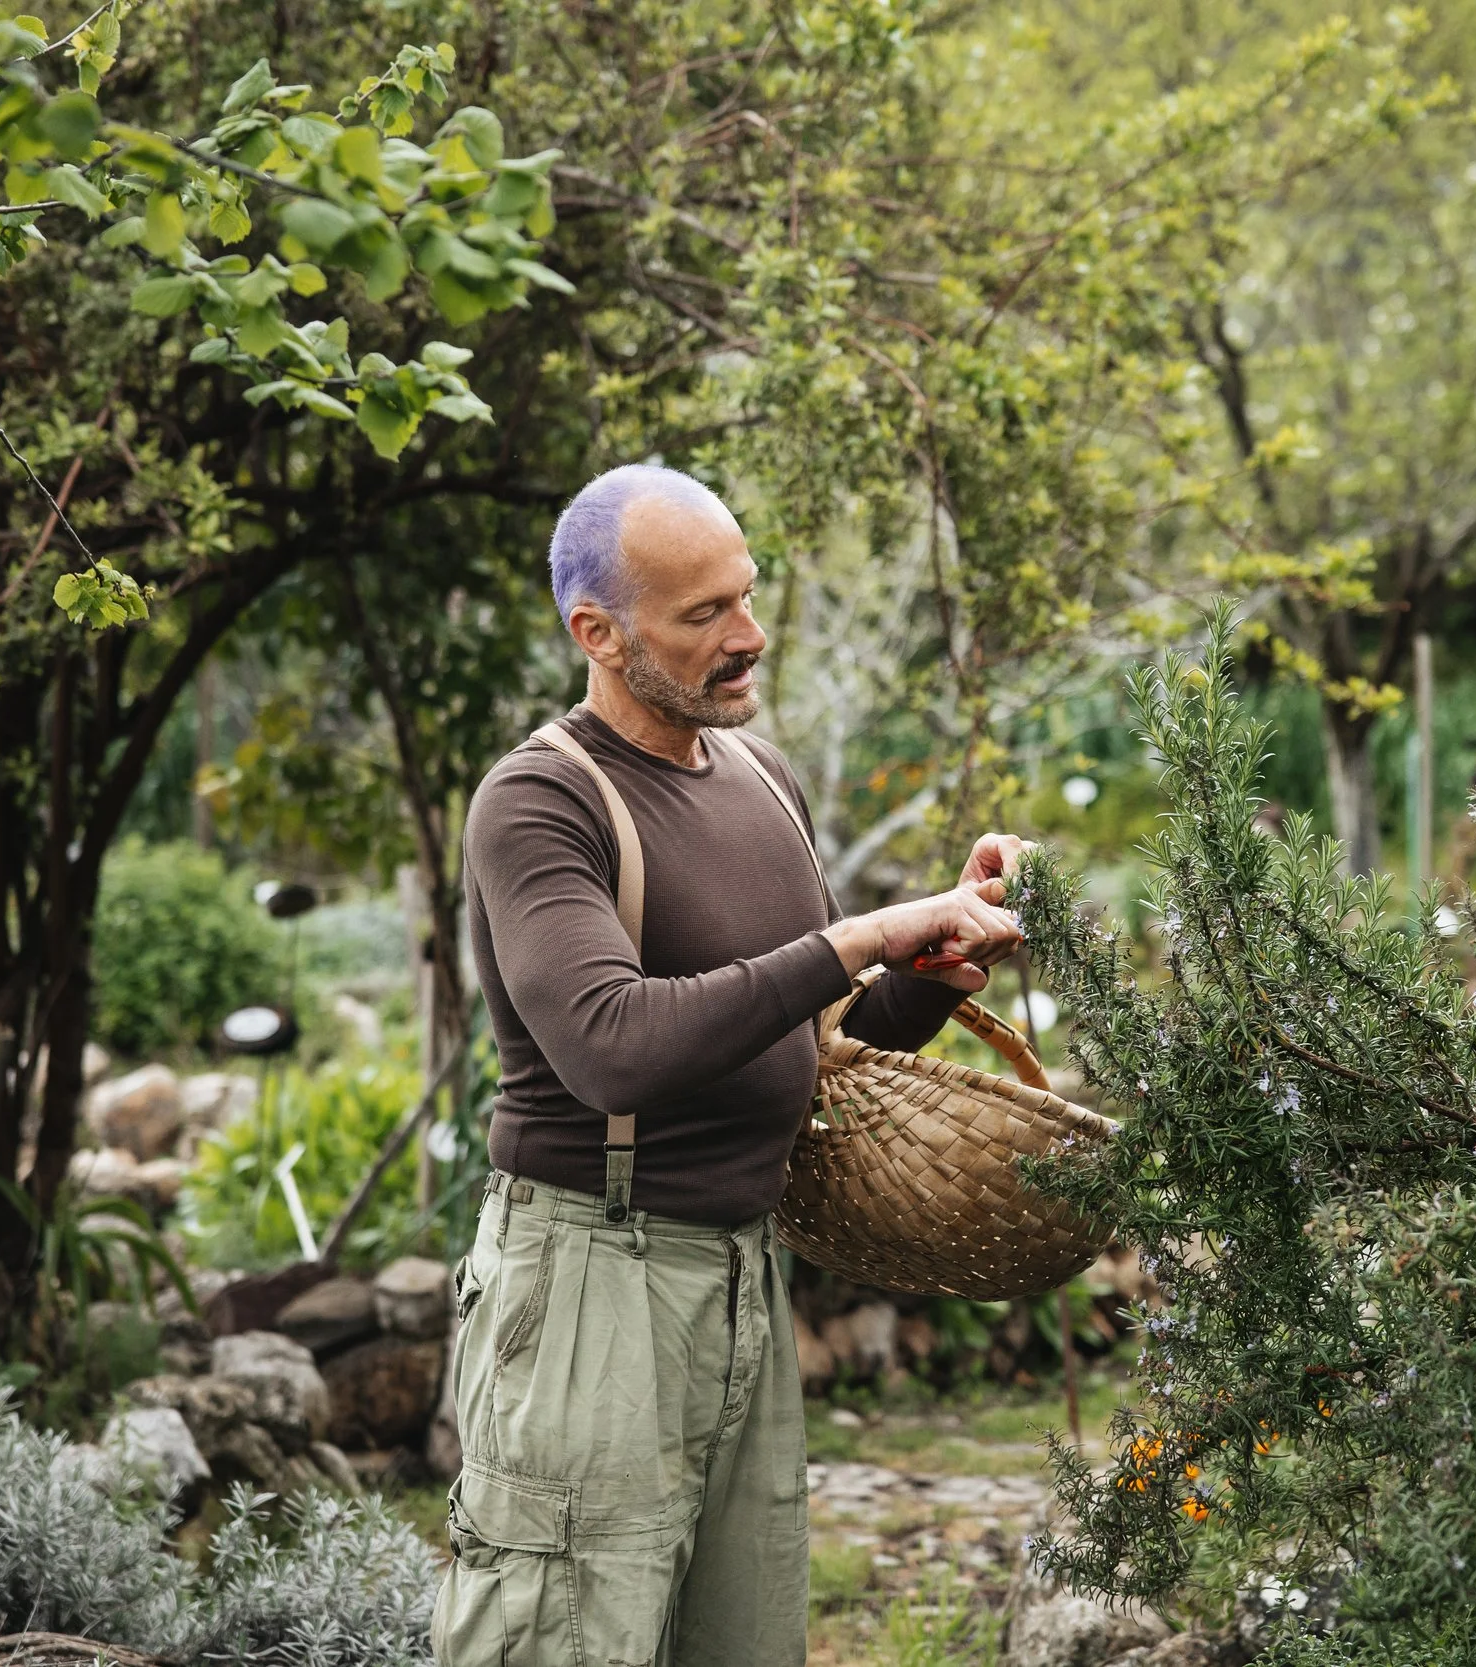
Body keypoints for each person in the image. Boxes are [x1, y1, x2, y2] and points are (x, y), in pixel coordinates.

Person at [435, 463, 1029, 1665]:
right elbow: (613, 1046)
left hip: (744, 1278)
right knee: (564, 1639)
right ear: (595, 632)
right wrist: (857, 933)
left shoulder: (763, 779)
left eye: (746, 597)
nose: (747, 636)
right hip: (593, 1285)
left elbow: (807, 1044)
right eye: (702, 614)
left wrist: (930, 964)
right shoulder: (544, 799)